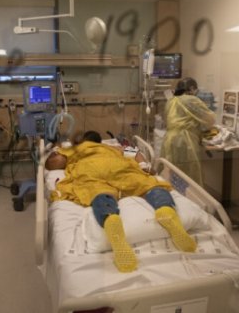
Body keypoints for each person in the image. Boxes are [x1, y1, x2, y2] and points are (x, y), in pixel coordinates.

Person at [46, 130, 196, 273]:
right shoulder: (113, 147)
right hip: (119, 167)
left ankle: (110, 218)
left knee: (99, 192)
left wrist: (58, 151)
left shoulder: (76, 149)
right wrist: (144, 166)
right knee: (149, 186)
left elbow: (53, 164)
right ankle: (165, 210)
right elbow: (136, 154)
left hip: (89, 169)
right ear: (98, 141)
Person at [161, 77, 216, 187]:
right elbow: (210, 119)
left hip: (169, 139)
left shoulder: (171, 101)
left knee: (172, 173)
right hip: (184, 141)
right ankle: (191, 201)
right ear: (191, 88)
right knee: (188, 174)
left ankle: (175, 197)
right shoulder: (191, 100)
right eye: (195, 90)